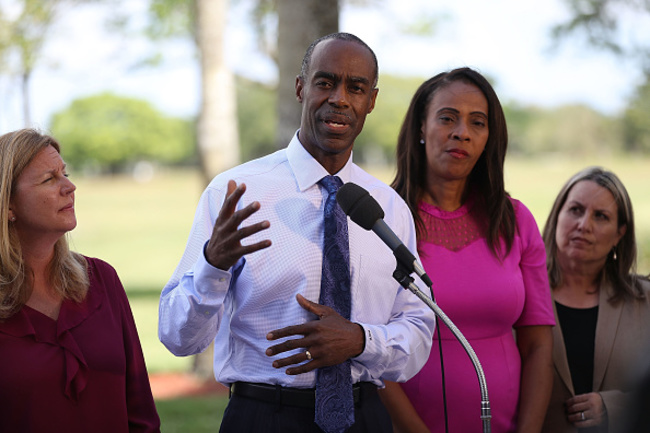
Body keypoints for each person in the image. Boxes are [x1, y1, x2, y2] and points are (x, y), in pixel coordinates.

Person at [158, 32, 436, 433]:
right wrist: (212, 265)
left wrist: (360, 340)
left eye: (355, 88)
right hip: (264, 416)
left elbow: (418, 332)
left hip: (366, 417)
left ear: (370, 101)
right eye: (325, 82)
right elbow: (178, 339)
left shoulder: (388, 209)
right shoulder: (235, 192)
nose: (339, 98)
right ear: (300, 87)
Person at [379, 67, 555, 433]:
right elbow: (370, 347)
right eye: (447, 118)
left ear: (490, 137)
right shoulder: (382, 221)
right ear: (421, 129)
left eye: (478, 122)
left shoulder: (516, 220)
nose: (462, 132)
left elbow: (539, 345)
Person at [0, 129, 160, 432]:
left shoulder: (101, 279)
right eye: (49, 179)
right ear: (8, 206)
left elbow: (141, 411)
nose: (70, 187)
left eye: (65, 174)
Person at [540, 167, 650, 433]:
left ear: (619, 234)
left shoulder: (644, 301)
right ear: (558, 215)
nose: (584, 225)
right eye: (575, 210)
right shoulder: (519, 294)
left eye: (601, 216)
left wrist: (614, 406)